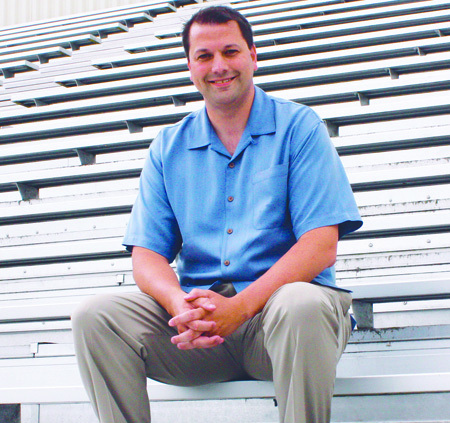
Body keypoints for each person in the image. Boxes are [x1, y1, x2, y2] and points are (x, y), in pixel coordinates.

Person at [72, 5, 363, 423]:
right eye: (204, 56)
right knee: (94, 317)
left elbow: (320, 246)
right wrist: (180, 305)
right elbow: (146, 256)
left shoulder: (299, 127)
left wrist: (239, 308)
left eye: (230, 51)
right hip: (201, 334)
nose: (219, 66)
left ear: (253, 56)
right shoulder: (168, 147)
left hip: (280, 325)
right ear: (190, 66)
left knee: (300, 303)